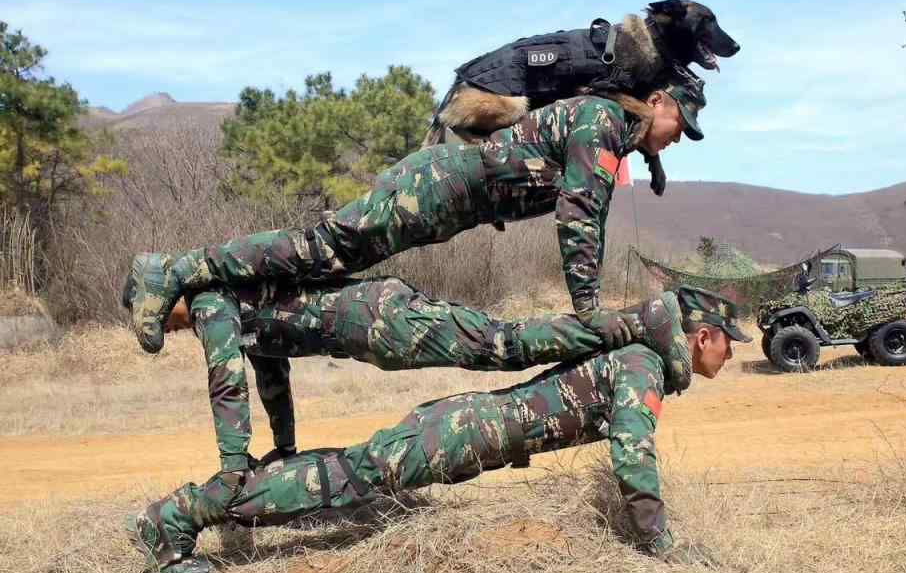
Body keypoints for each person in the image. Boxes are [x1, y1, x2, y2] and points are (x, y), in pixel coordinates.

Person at [128, 287, 751, 573]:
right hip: (461, 434)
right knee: (344, 479)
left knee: (348, 473)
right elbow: (633, 457)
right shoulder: (641, 366)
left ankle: (194, 510)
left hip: (465, 431)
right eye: (728, 341)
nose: (730, 354)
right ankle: (179, 515)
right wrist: (658, 544)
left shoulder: (639, 359)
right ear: (701, 336)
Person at [125, 81, 705, 356]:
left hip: (445, 206)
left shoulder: (617, 136)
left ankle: (218, 292)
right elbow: (579, 216)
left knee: (321, 263)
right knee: (323, 248)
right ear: (657, 101)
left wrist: (651, 163)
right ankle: (172, 269)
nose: (679, 137)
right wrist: (587, 311)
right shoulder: (601, 121)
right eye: (680, 123)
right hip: (435, 188)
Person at [134, 273, 691, 476]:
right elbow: (268, 381)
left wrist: (234, 465)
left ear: (167, 305)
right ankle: (631, 324)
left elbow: (225, 383)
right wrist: (284, 448)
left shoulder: (211, 302)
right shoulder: (238, 309)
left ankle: (638, 320)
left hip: (380, 320)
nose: (178, 330)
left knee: (503, 343)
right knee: (503, 345)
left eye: (169, 322)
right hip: (372, 330)